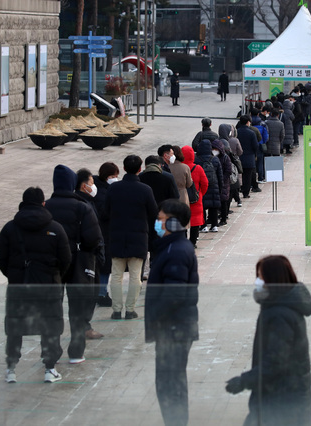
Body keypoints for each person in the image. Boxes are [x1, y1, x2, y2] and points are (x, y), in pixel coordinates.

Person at [225, 255, 311, 426]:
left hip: (281, 401)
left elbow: (275, 363)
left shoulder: (279, 314)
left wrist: (244, 381)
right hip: (283, 396)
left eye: (260, 276)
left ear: (272, 279)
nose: (257, 281)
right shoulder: (281, 305)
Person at [0, 187, 71, 384]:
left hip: (19, 287)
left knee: (15, 326)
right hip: (48, 287)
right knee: (50, 326)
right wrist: (55, 276)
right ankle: (50, 368)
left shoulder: (10, 228)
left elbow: (0, 257)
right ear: (43, 203)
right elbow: (66, 258)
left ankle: (11, 369)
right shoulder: (55, 228)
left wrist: (14, 275)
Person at [145, 199, 199, 426]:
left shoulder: (176, 250)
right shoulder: (170, 246)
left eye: (161, 219)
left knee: (170, 384)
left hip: (174, 329)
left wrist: (158, 320)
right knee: (169, 382)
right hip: (174, 327)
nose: (157, 223)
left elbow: (174, 295)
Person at [45, 164, 102, 364]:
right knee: (78, 306)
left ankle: (51, 350)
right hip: (78, 262)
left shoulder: (46, 206)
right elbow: (94, 237)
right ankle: (76, 351)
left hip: (52, 264)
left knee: (53, 307)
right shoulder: (82, 207)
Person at [104, 155, 158, 320]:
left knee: (117, 275)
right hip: (139, 237)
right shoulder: (145, 190)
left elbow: (104, 213)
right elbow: (154, 213)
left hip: (117, 236)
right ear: (140, 169)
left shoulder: (113, 189)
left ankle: (116, 310)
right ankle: (129, 310)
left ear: (124, 168)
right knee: (136, 276)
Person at [75, 168, 105, 340]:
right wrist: (99, 253)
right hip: (87, 256)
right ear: (84, 185)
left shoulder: (87, 202)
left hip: (80, 255)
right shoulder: (84, 205)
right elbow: (93, 234)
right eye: (92, 184)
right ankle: (84, 327)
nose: (94, 187)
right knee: (88, 293)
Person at [92, 162, 120, 307]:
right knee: (103, 265)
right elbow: (104, 212)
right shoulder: (102, 192)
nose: (115, 178)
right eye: (112, 176)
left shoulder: (103, 188)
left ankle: (101, 292)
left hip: (104, 232)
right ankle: (101, 293)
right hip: (103, 233)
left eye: (116, 176)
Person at [181, 145, 209, 247]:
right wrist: (200, 193)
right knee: (195, 220)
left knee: (182, 219)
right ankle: (193, 242)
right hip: (196, 198)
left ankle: (183, 240)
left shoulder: (179, 168)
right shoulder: (198, 168)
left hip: (182, 198)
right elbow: (205, 183)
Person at [195, 139, 222, 233]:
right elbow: (220, 175)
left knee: (202, 206)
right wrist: (220, 187)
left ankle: (203, 226)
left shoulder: (197, 159)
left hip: (201, 186)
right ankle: (214, 225)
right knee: (213, 207)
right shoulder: (215, 159)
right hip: (214, 185)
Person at [235, 114, 261, 197]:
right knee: (247, 176)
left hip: (238, 157)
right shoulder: (251, 133)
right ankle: (246, 193)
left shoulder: (237, 132)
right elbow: (255, 146)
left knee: (238, 174)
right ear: (247, 122)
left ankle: (239, 189)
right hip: (249, 157)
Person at [211, 139, 233, 226]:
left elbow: (228, 170)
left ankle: (224, 218)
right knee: (215, 201)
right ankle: (213, 218)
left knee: (223, 201)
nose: (214, 151)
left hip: (224, 182)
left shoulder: (225, 158)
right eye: (213, 149)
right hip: (214, 182)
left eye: (215, 149)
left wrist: (222, 179)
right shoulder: (212, 157)